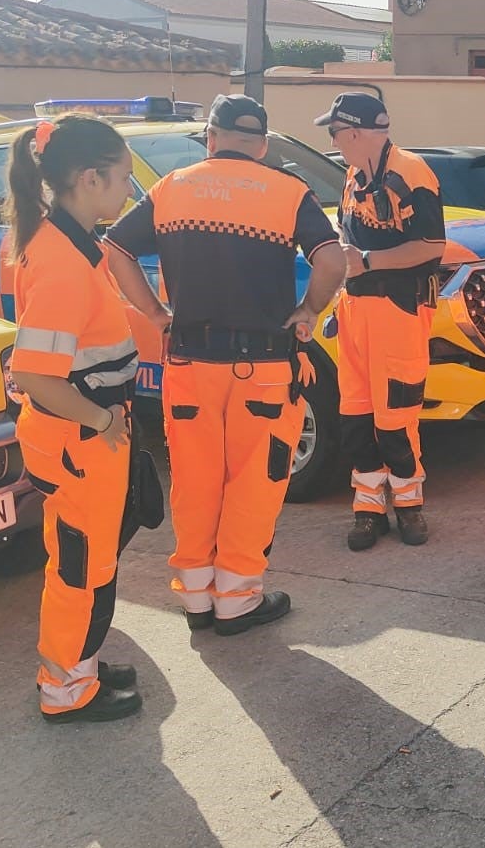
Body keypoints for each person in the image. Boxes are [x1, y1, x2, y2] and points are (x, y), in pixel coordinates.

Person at [105, 94, 345, 631]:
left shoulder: (173, 187)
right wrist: (308, 309)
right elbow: (333, 259)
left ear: (210, 139)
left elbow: (116, 248)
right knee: (252, 482)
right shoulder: (287, 191)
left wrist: (153, 311)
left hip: (189, 361)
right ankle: (238, 598)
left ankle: (196, 597)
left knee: (194, 478)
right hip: (260, 365)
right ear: (260, 146)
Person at [3, 114, 142, 723]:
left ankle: (77, 665)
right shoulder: (61, 258)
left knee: (87, 559)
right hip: (78, 440)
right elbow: (34, 374)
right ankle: (65, 688)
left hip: (79, 437)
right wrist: (101, 420)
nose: (130, 193)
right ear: (90, 179)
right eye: (123, 180)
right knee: (82, 565)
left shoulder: (66, 243)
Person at [318, 92, 446, 551]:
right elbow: (347, 244)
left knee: (396, 418)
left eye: (334, 134)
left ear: (353, 132)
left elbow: (432, 245)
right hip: (356, 312)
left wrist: (368, 261)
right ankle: (368, 509)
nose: (333, 143)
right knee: (355, 415)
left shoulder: (411, 173)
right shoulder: (355, 175)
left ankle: (409, 507)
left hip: (398, 311)